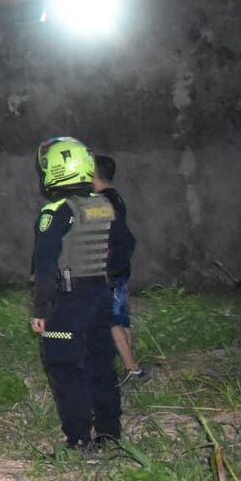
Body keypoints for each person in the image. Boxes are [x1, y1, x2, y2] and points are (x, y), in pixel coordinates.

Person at [30, 137, 133, 450]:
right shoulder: (103, 205)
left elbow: (45, 264)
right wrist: (108, 278)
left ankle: (77, 440)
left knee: (66, 368)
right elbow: (125, 246)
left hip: (68, 300)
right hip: (100, 295)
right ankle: (109, 434)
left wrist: (41, 309)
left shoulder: (57, 211)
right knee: (100, 365)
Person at [93, 155, 145, 381]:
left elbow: (113, 236)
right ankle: (128, 363)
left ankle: (132, 369)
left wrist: (106, 269)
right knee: (122, 318)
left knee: (112, 321)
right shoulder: (115, 198)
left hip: (110, 270)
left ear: (93, 173)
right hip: (120, 268)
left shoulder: (102, 203)